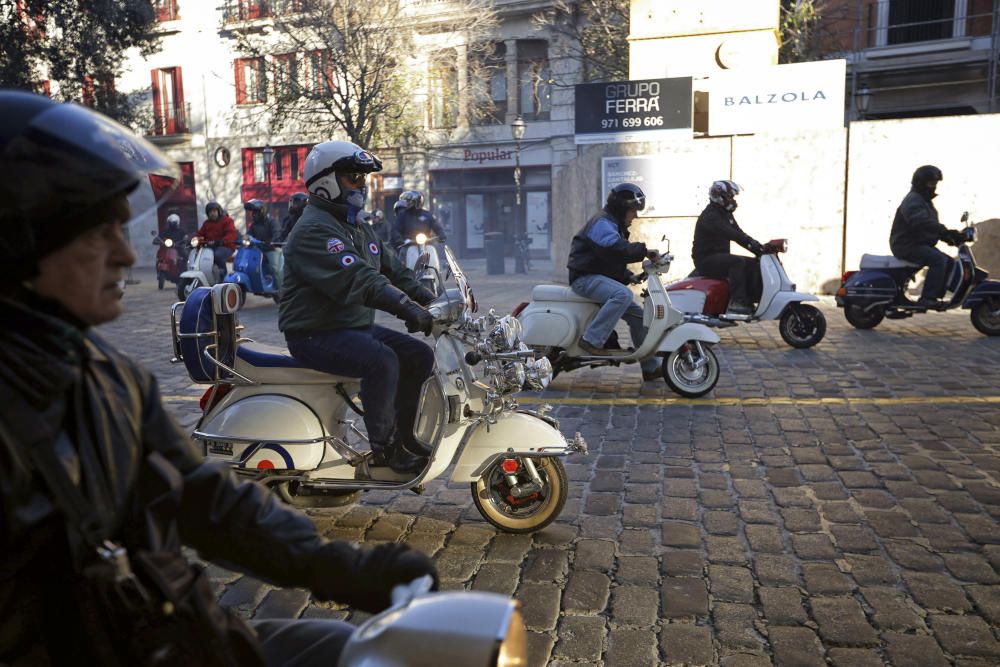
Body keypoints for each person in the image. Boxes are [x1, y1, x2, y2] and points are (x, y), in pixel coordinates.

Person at [0, 92, 438, 666]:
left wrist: (339, 567)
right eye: (92, 232)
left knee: (348, 650)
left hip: (176, 634)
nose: (124, 255)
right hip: (121, 646)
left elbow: (202, 498)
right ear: (17, 241)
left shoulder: (108, 375)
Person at [279, 141, 438, 475]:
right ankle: (385, 449)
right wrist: (405, 307)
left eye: (363, 179)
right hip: (314, 332)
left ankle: (405, 436)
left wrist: (430, 299)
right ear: (325, 181)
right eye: (353, 177)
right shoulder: (313, 229)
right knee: (381, 360)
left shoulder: (356, 226)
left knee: (419, 355)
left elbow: (392, 268)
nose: (362, 186)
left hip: (349, 326)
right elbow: (361, 278)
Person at [566, 183, 663, 381]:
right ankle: (591, 341)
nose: (635, 216)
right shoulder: (602, 222)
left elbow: (608, 261)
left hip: (595, 276)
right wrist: (644, 250)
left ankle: (651, 367)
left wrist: (629, 277)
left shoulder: (611, 223)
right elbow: (614, 249)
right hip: (584, 279)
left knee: (639, 316)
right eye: (633, 210)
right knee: (622, 294)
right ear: (621, 207)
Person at [889, 165, 967, 309]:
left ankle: (935, 296)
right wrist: (945, 232)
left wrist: (949, 237)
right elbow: (922, 222)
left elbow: (929, 226)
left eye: (935, 184)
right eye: (931, 183)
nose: (934, 187)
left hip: (918, 244)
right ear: (920, 182)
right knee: (938, 260)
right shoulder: (914, 200)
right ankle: (928, 298)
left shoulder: (924, 201)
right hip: (906, 245)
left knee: (949, 261)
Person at [691, 180, 765, 315]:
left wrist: (758, 248)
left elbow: (739, 232)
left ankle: (749, 300)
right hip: (706, 260)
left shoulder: (725, 214)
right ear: (719, 196)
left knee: (754, 263)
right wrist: (750, 244)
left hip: (718, 257)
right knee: (737, 263)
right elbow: (732, 234)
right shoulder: (711, 216)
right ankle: (736, 302)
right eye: (730, 197)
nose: (732, 200)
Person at [196, 199, 238, 275]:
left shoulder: (227, 221)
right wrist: (194, 240)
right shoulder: (206, 223)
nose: (212, 214)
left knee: (217, 255)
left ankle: (223, 275)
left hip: (226, 246)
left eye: (214, 211)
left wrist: (221, 241)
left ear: (219, 212)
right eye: (210, 212)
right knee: (200, 256)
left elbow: (231, 234)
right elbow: (200, 234)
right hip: (210, 247)